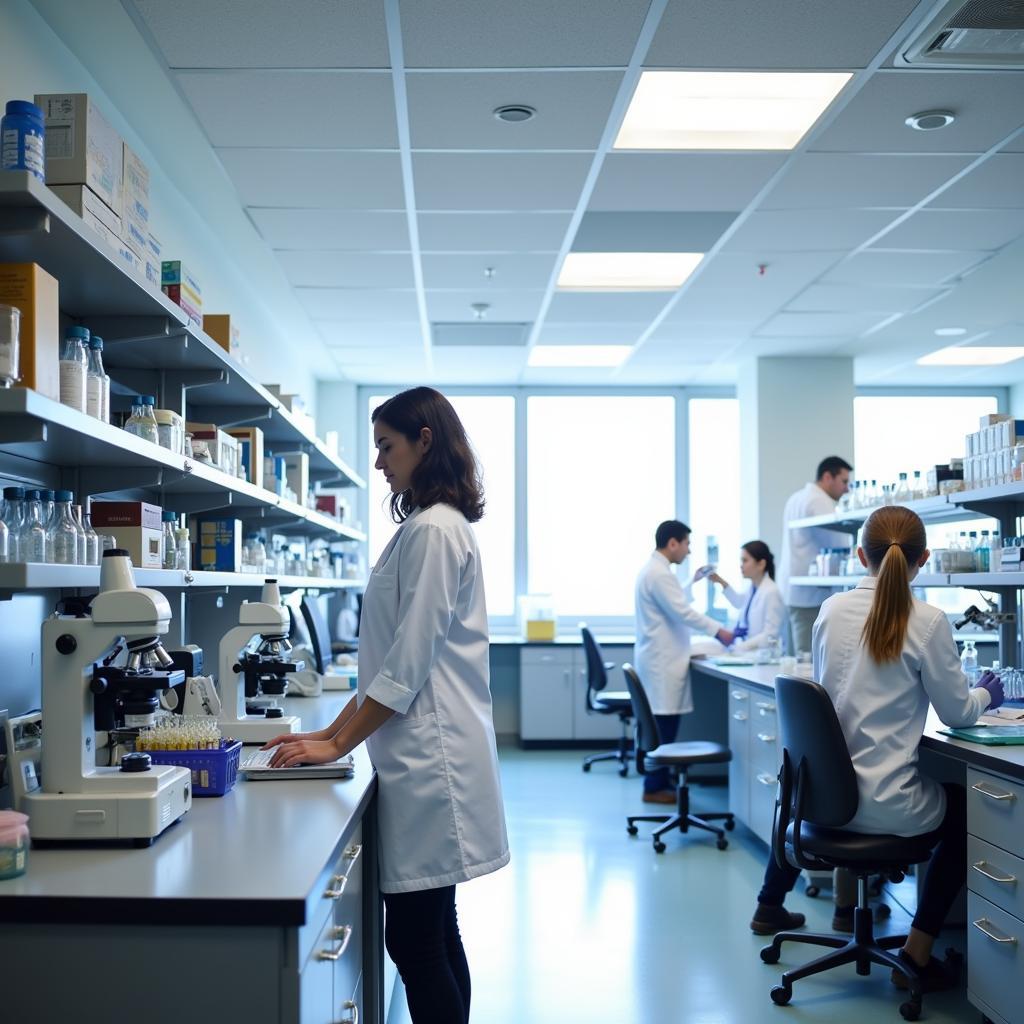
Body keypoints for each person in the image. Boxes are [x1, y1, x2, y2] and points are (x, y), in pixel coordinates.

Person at [264, 387, 509, 1024]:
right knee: (434, 932)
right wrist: (330, 730)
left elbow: (408, 663)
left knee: (417, 941)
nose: (379, 462)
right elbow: (386, 660)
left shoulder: (433, 531)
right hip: (425, 751)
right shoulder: (427, 527)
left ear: (424, 440)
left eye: (386, 446)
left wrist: (338, 744)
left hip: (435, 760)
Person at [750, 505, 1003, 992]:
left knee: (798, 779)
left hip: (823, 805)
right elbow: (957, 713)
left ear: (860, 554)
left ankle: (829, 908)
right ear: (923, 559)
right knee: (968, 809)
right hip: (888, 805)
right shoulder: (928, 621)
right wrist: (989, 692)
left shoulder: (830, 610)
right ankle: (918, 950)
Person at [635, 520, 734, 803]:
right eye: (687, 544)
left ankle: (657, 782)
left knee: (660, 727)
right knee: (663, 729)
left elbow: (674, 602)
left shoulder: (655, 571)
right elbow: (682, 612)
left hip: (659, 660)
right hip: (662, 663)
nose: (689, 551)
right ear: (673, 543)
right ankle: (654, 787)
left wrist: (693, 583)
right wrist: (719, 631)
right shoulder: (659, 574)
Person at [777, 456, 853, 655]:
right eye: (844, 482)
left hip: (794, 593)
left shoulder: (797, 497)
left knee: (795, 660)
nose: (847, 489)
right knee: (807, 663)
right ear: (828, 477)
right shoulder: (819, 500)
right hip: (811, 598)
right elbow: (840, 544)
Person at [708, 540, 784, 652]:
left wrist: (742, 646)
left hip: (763, 655)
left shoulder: (771, 592)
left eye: (745, 561)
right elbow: (738, 602)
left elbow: (770, 634)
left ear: (761, 564)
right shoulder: (753, 589)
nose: (741, 565)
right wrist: (720, 582)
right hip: (749, 653)